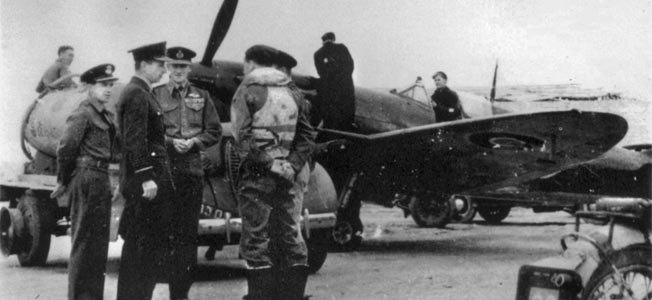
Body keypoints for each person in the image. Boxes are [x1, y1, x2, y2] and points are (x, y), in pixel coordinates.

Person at [231, 45, 316, 300]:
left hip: (258, 177)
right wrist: (291, 164)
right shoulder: (292, 91)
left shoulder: (247, 90)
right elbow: (307, 135)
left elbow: (242, 139)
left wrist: (269, 163)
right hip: (288, 177)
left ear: (251, 63)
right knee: (291, 235)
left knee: (256, 239)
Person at [152, 46, 222, 300]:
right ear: (168, 68)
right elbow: (150, 130)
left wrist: (193, 143)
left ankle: (180, 294)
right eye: (174, 66)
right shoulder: (156, 94)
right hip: (165, 173)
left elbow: (214, 131)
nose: (178, 71)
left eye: (183, 67)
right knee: (163, 232)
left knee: (187, 237)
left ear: (189, 69)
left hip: (191, 173)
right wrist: (171, 142)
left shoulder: (202, 96)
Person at [50, 63, 119, 300]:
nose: (108, 89)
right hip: (86, 177)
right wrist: (63, 180)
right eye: (103, 85)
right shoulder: (83, 112)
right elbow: (66, 148)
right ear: (90, 87)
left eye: (110, 85)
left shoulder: (107, 116)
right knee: (83, 243)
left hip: (101, 179)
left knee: (99, 245)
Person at [115, 41, 176, 300]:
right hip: (146, 185)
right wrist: (146, 177)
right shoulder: (138, 94)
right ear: (144, 64)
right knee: (142, 249)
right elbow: (135, 140)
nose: (164, 70)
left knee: (146, 249)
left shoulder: (141, 92)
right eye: (160, 65)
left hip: (149, 181)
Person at [313, 31, 355, 131]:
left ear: (322, 41)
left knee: (330, 112)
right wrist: (342, 79)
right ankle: (348, 127)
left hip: (329, 87)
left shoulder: (318, 54)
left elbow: (320, 72)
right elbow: (350, 66)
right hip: (345, 85)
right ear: (333, 39)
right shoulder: (341, 48)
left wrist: (330, 80)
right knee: (346, 109)